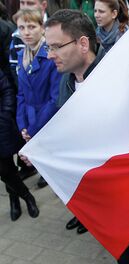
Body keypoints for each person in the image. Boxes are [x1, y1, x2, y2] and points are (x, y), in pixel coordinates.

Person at [34, 9, 129, 262]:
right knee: (119, 247)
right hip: (97, 190)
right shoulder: (65, 81)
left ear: (83, 43)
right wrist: (43, 151)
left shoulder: (119, 74)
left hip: (128, 188)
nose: (49, 54)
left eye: (55, 46)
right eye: (48, 47)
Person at [14, 9, 60, 161]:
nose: (26, 32)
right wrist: (22, 125)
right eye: (21, 27)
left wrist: (33, 129)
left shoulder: (51, 54)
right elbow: (21, 94)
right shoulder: (21, 56)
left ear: (42, 27)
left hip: (50, 121)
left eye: (31, 27)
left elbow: (55, 98)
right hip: (31, 120)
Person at [0, 63, 39, 222]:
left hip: (2, 125)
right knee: (4, 170)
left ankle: (20, 198)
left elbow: (7, 90)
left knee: (7, 167)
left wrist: (6, 113)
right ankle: (23, 196)